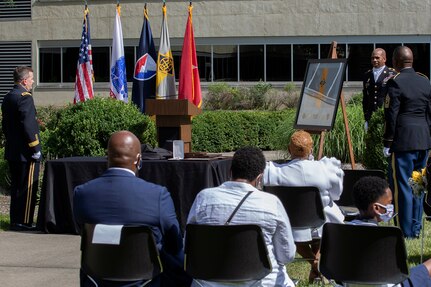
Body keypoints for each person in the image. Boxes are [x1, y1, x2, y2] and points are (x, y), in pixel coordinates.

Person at [73, 130, 191, 287]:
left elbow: (86, 232)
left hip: (97, 279)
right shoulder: (157, 195)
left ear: (107, 157)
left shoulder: (82, 193)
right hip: (146, 281)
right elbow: (174, 243)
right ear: (138, 159)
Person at [187, 146, 296, 287]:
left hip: (208, 282)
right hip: (261, 282)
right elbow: (286, 255)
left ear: (230, 171)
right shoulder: (271, 203)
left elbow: (189, 246)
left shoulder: (203, 198)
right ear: (259, 178)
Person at [263, 130, 344, 283]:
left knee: (298, 229)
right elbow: (336, 194)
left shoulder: (274, 172)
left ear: (289, 150)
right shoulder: (326, 169)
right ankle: (317, 264)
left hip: (290, 225)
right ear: (311, 150)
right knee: (327, 210)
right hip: (322, 222)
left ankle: (314, 265)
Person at [383, 45, 431, 238]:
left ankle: (406, 231)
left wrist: (387, 142)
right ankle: (416, 227)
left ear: (395, 62)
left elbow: (391, 115)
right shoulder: (425, 82)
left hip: (403, 142)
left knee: (403, 186)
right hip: (423, 142)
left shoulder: (395, 82)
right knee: (418, 185)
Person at [351, 176, 431, 286]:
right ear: (376, 208)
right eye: (389, 203)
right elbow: (398, 273)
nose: (391, 207)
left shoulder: (338, 230)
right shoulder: (385, 237)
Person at [2, 66, 41, 231]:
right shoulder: (25, 97)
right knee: (27, 188)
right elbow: (28, 125)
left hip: (13, 151)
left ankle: (15, 220)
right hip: (26, 153)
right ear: (24, 81)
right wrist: (35, 147)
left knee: (17, 188)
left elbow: (6, 126)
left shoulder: (9, 96)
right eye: (31, 79)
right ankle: (24, 222)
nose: (32, 82)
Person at [362, 48, 396, 130]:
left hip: (386, 116)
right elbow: (365, 98)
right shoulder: (367, 75)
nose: (374, 60)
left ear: (384, 59)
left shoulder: (392, 74)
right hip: (371, 115)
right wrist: (366, 117)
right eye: (372, 58)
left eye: (377, 58)